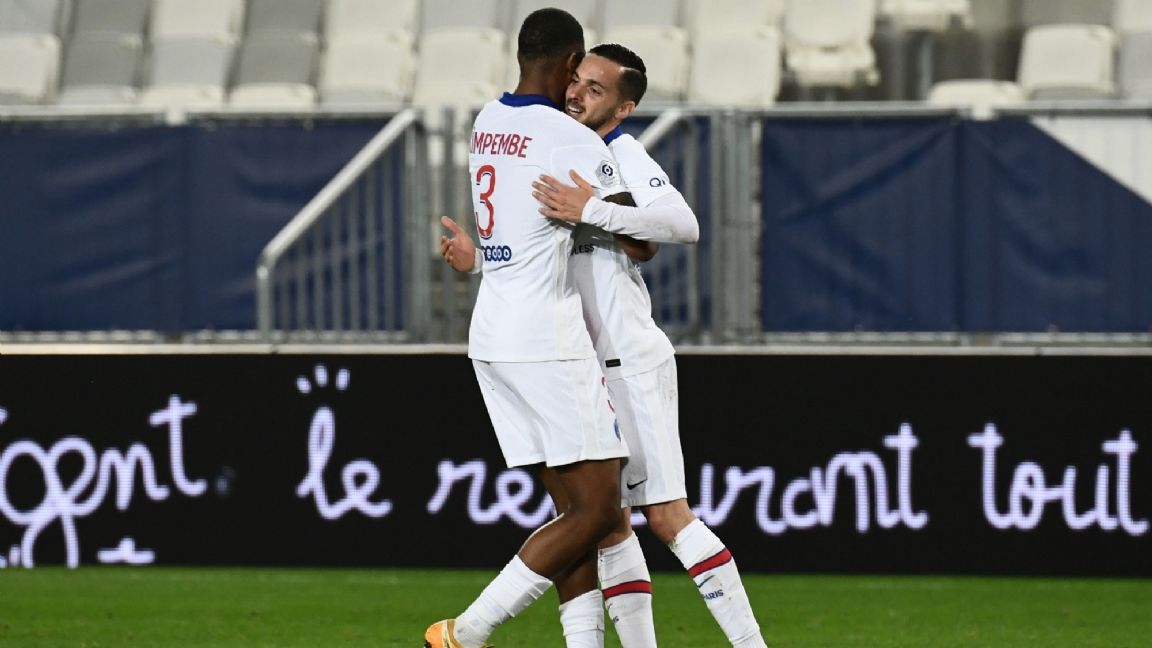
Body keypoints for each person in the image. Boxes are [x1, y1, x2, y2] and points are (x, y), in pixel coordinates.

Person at [444, 44, 769, 648]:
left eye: (595, 89)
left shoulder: (621, 152)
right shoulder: (560, 148)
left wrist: (592, 207)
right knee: (608, 527)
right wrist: (479, 261)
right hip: (577, 360)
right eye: (577, 81)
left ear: (623, 108)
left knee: (667, 516)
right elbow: (550, 258)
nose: (576, 93)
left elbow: (682, 224)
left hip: (628, 358)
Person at [424, 9, 634, 648]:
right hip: (547, 337)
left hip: (493, 332)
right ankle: (466, 631)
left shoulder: (488, 120)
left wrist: (477, 258)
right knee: (599, 509)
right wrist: (598, 204)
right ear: (570, 64)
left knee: (572, 513)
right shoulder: (569, 137)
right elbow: (638, 237)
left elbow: (515, 232)